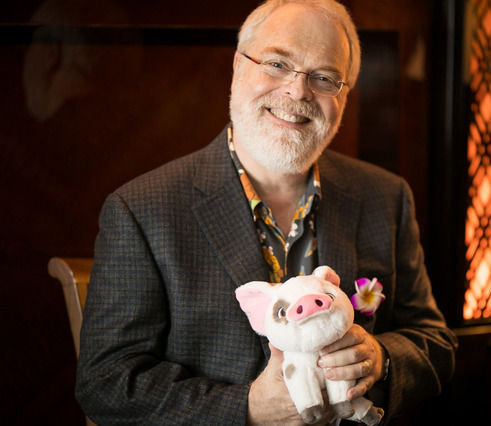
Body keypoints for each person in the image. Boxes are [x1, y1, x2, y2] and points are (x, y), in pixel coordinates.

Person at [75, 0, 458, 424]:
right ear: (238, 66)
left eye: (324, 77)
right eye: (277, 64)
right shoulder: (142, 210)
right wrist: (248, 409)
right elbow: (106, 384)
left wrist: (380, 357)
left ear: (345, 95)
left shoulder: (385, 196)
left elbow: (436, 344)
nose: (298, 91)